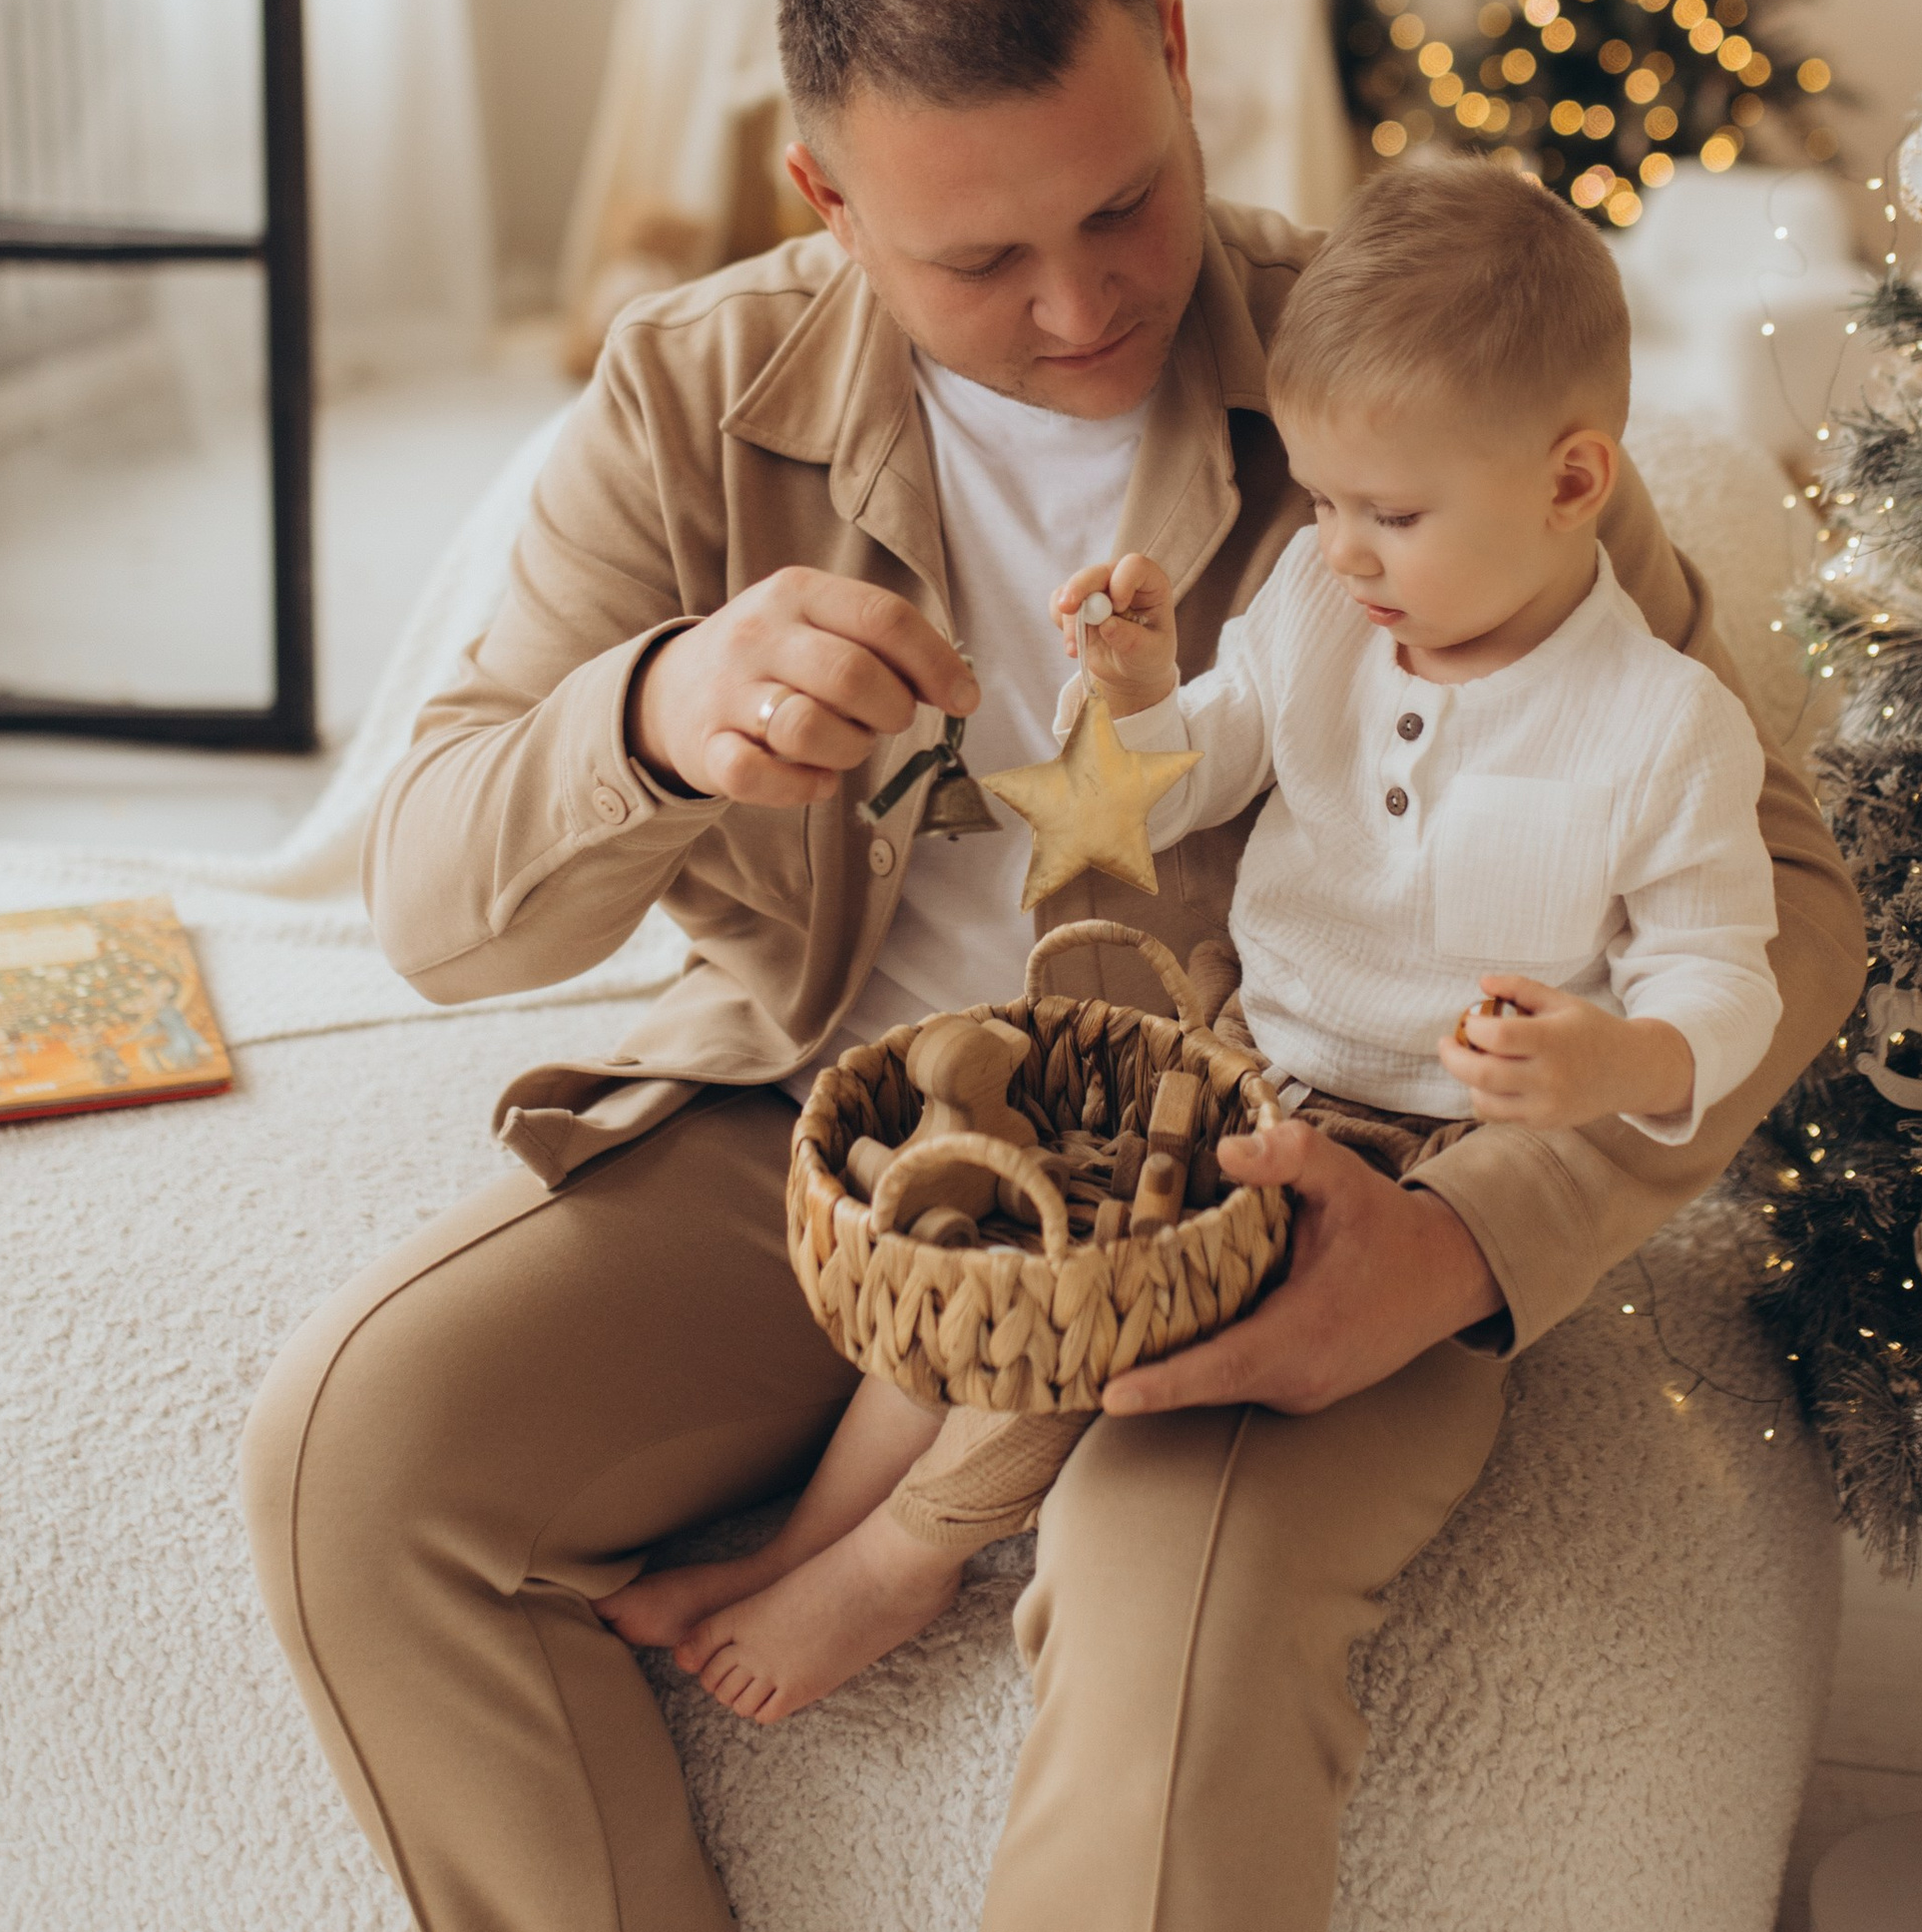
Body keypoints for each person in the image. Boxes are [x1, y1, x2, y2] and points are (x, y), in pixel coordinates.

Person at [243, 0, 1866, 1932]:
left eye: (1125, 205)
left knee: (1190, 1634)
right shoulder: (697, 396)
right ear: (823, 199)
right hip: (821, 1134)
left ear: (1183, 74)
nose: (1092, 304)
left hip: (1282, 1191)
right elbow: (431, 896)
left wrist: (1459, 1249)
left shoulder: (1382, 360)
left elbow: (1765, 893)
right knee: (359, 1453)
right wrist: (657, 718)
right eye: (983, 261)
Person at [620, 151, 1784, 1724]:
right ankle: (803, 1542)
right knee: (989, 1259)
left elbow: (1725, 975)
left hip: (1408, 1154)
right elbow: (1197, 772)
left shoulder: (1659, 726)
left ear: (1573, 485)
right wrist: (1137, 686)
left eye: (1393, 512)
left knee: (1092, 1319)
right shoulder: (1323, 594)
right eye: (1319, 502)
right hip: (1237, 1062)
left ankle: (892, 1565)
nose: (1343, 549)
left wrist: (1619, 1054)